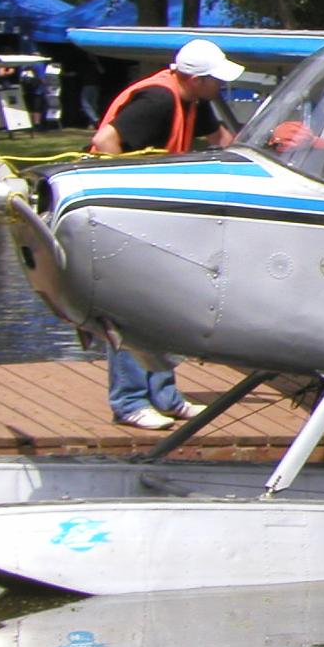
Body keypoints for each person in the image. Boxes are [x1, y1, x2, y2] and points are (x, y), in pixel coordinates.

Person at [90, 38, 244, 428]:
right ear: (195, 79)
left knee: (161, 304)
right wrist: (126, 196)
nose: (221, 87)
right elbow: (105, 142)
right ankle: (129, 401)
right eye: (216, 81)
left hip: (155, 219)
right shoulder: (159, 100)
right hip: (122, 217)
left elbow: (224, 141)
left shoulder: (193, 100)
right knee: (129, 308)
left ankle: (164, 396)